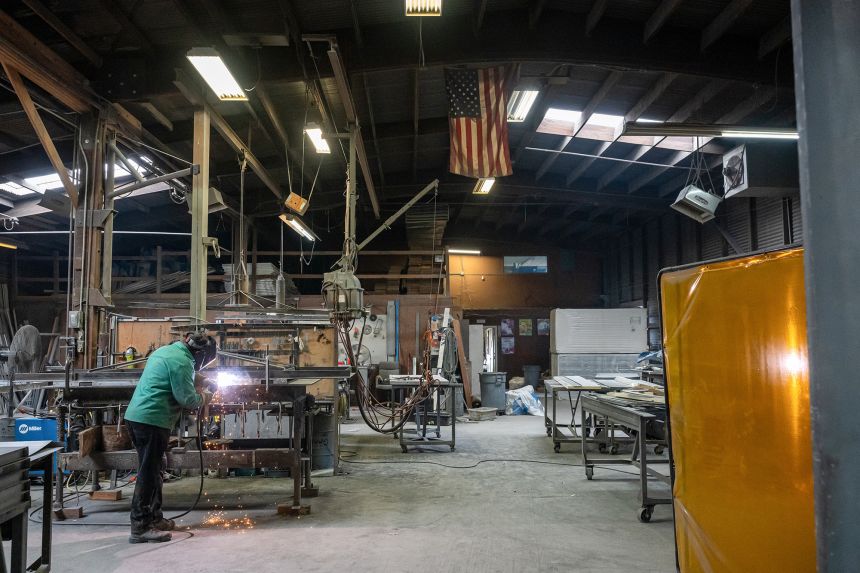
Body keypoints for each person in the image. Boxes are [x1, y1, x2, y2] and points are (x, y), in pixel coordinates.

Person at [124, 332, 215, 543]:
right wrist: (207, 396)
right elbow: (188, 399)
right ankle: (140, 527)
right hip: (151, 421)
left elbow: (182, 372)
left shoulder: (167, 351)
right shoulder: (182, 362)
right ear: (200, 354)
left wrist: (203, 379)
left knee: (156, 469)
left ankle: (154, 518)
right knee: (148, 473)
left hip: (139, 418)